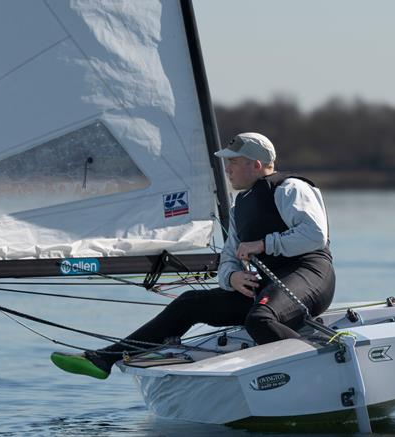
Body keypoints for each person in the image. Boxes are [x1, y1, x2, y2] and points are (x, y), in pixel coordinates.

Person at [50, 132, 335, 379]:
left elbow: (314, 235)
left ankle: (324, 367)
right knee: (190, 303)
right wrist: (232, 277)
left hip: (310, 275)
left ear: (256, 164)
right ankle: (104, 360)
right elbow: (229, 256)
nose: (228, 170)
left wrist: (264, 244)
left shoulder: (290, 189)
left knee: (259, 319)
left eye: (233, 162)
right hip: (273, 286)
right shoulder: (240, 206)